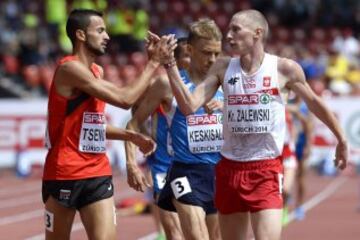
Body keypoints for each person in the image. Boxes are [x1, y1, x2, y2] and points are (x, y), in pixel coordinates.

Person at [155, 9, 348, 240]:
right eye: (229, 30)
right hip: (229, 170)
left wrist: (341, 138)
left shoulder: (283, 69)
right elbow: (188, 106)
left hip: (265, 169)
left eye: (236, 30)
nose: (228, 36)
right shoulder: (223, 68)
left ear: (257, 33)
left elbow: (315, 103)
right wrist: (170, 65)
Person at [42, 9, 175, 240]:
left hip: (97, 172)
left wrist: (130, 136)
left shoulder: (97, 71)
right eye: (100, 30)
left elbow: (91, 127)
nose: (107, 36)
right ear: (81, 35)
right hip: (64, 172)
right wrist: (153, 62)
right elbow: (125, 99)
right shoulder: (69, 69)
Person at [144, 19, 224, 240]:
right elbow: (134, 119)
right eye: (207, 53)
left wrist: (226, 107)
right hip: (184, 170)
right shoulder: (167, 84)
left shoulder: (225, 82)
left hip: (218, 171)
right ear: (190, 50)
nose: (213, 59)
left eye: (217, 53)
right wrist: (134, 155)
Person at [125, 37, 190, 240]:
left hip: (196, 164)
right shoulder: (162, 85)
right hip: (164, 164)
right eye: (187, 55)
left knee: (201, 229)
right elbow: (135, 109)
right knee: (172, 230)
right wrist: (151, 58)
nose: (194, 59)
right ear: (177, 59)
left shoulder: (210, 85)